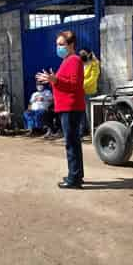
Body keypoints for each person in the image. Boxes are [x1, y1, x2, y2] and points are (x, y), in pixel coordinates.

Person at [37, 30, 85, 189]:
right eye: (57, 45)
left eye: (61, 45)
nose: (58, 48)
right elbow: (63, 82)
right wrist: (52, 80)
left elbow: (74, 85)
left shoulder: (74, 60)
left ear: (71, 45)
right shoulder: (67, 60)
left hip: (71, 107)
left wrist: (55, 80)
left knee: (71, 143)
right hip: (67, 107)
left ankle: (74, 179)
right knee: (73, 142)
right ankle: (76, 174)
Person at [79, 48, 100, 138]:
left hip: (89, 92)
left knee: (89, 113)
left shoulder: (94, 64)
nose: (82, 54)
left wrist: (81, 85)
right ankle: (81, 131)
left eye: (84, 53)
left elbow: (93, 78)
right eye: (81, 53)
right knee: (81, 113)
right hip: (80, 92)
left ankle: (93, 132)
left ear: (88, 54)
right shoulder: (81, 64)